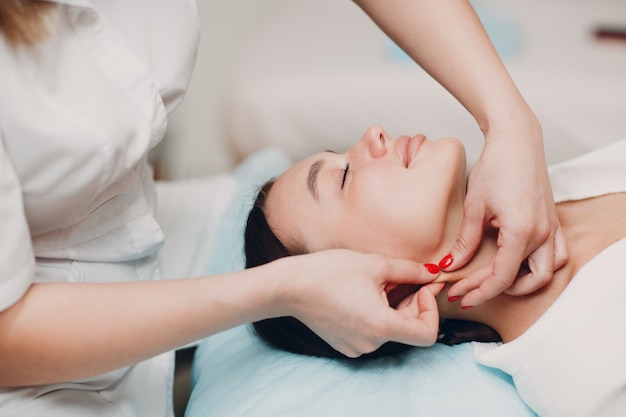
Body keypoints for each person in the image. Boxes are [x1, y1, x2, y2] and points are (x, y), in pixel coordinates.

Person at [0, 0, 563, 416]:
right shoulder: (578, 356)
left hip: (140, 220)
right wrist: (280, 288)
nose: (371, 134)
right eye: (341, 176)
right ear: (388, 292)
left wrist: (512, 119)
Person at [243, 125, 626, 417]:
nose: (373, 134)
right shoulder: (586, 370)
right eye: (342, 177)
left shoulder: (551, 182)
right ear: (379, 291)